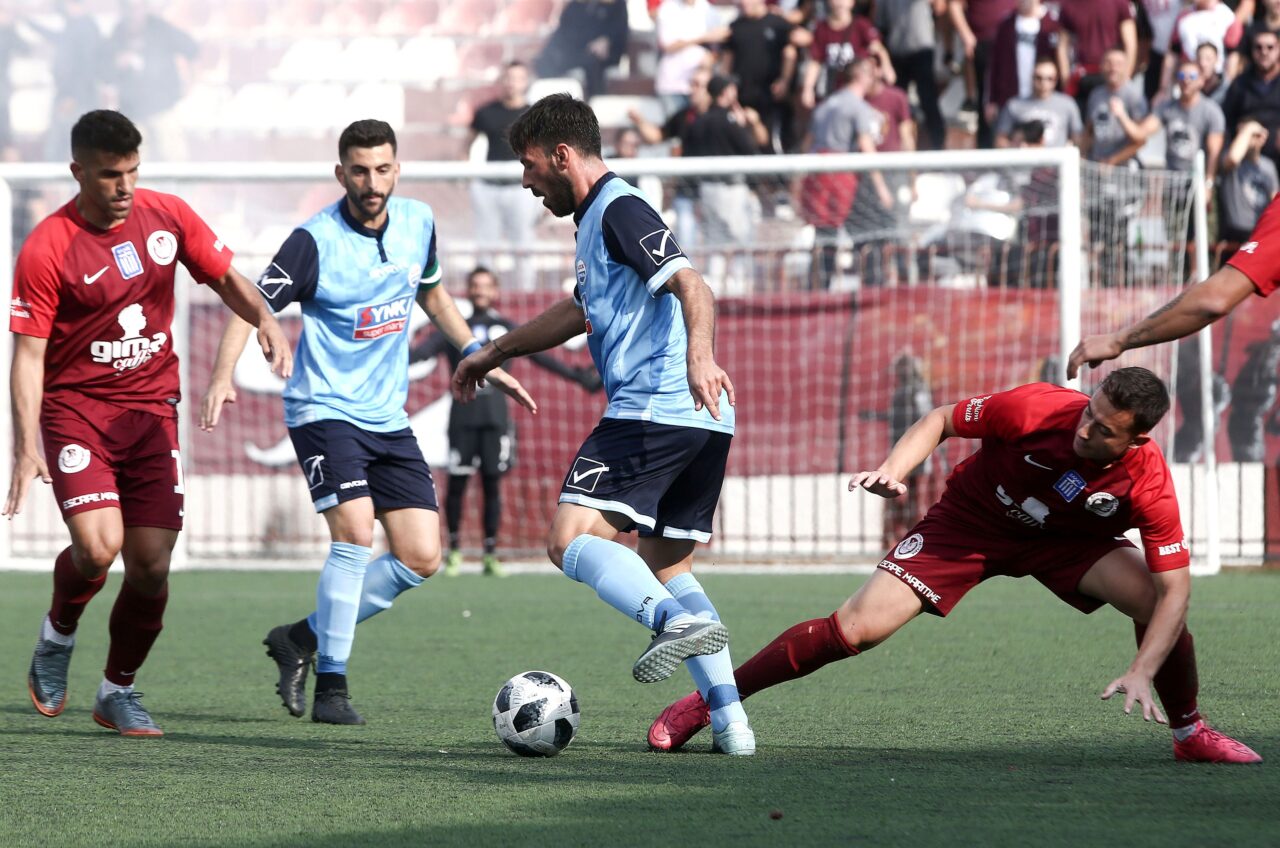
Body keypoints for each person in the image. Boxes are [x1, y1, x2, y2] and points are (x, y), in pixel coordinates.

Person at [648, 369, 1262, 763]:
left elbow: (1176, 591)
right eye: (1087, 413)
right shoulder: (1035, 408)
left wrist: (1142, 668)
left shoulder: (1148, 481)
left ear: (1137, 440)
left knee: (1156, 605)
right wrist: (894, 469)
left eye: (1102, 430)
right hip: (973, 522)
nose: (1084, 429)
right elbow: (941, 419)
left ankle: (1189, 733)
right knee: (856, 629)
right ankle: (713, 699)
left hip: (1069, 542)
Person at [199, 120, 534, 725]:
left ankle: (300, 637)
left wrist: (479, 353)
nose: (371, 182)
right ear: (341, 174)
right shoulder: (313, 242)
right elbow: (250, 304)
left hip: (387, 416)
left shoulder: (419, 222)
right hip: (324, 409)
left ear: (397, 170)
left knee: (421, 557)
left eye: (382, 170)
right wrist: (223, 375)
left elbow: (433, 295)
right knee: (354, 536)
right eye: (359, 171)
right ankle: (332, 687)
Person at [452, 94, 755, 755]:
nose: (526, 182)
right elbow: (578, 310)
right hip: (702, 421)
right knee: (668, 563)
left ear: (562, 156)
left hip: (654, 407)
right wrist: (495, 351)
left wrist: (699, 357)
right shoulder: (593, 223)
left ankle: (668, 621)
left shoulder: (619, 207)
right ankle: (733, 726)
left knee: (568, 539)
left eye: (530, 165)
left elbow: (692, 284)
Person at [6, 109, 292, 736]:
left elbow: (226, 278)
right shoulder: (48, 245)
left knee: (151, 565)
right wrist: (24, 445)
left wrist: (266, 319)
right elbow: (27, 355)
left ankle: (116, 691)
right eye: (111, 175)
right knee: (97, 548)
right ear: (78, 172)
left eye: (133, 171)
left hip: (151, 415)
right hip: (77, 413)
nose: (125, 186)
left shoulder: (167, 215)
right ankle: (58, 632)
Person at [408, 267, 601, 577]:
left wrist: (577, 377)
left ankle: (490, 552)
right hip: (462, 417)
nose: (481, 291)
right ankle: (454, 551)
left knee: (492, 484)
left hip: (496, 420)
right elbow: (420, 353)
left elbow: (541, 357)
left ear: (495, 291)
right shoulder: (457, 330)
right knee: (457, 484)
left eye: (486, 286)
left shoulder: (505, 329)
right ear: (469, 290)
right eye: (475, 285)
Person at [467, 62, 543, 289]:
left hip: (521, 187)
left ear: (526, 82)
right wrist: (466, 175)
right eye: (508, 78)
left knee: (522, 242)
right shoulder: (486, 112)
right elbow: (466, 145)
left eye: (518, 78)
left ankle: (526, 292)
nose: (512, 83)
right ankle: (483, 290)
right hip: (488, 186)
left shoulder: (533, 115)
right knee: (486, 242)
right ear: (501, 81)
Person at [875, 0, 946, 150]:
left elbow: (940, 7)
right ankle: (896, 147)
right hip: (897, 52)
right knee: (897, 101)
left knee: (928, 100)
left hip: (922, 49)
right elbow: (880, 23)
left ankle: (938, 148)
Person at [801, 0, 896, 110]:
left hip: (860, 89)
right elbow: (815, 61)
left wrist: (887, 68)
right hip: (835, 88)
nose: (840, 3)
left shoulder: (861, 25)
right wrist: (808, 88)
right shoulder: (821, 28)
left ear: (852, 2)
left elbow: (878, 49)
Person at [1146, 60, 1225, 186]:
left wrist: (1208, 184)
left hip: (1197, 182)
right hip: (1171, 181)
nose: (1186, 80)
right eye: (1182, 76)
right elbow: (1141, 132)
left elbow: (1214, 153)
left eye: (1192, 76)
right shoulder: (1167, 107)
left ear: (1201, 80)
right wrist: (1122, 116)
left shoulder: (1211, 111)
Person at [534, 0, 630, 99]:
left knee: (592, 62)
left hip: (601, 54)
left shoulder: (616, 4)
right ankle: (550, 100)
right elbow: (563, 30)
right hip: (575, 50)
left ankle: (596, 101)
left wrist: (607, 39)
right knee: (545, 59)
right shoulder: (575, 4)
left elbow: (621, 29)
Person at [1083, 48, 1153, 166]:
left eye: (1118, 64)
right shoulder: (1096, 94)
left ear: (1127, 67)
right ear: (1101, 66)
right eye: (1108, 63)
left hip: (1123, 166)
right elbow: (1089, 132)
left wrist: (1113, 160)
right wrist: (1082, 154)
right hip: (1096, 162)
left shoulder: (1134, 96)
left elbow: (1141, 140)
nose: (1113, 68)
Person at [995, 57, 1084, 148]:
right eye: (1039, 78)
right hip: (1024, 156)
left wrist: (1070, 149)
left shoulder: (1068, 104)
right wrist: (1017, 146)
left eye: (1049, 78)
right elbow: (1000, 140)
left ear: (1056, 80)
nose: (1043, 83)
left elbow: (1078, 138)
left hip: (1056, 156)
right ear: (1032, 77)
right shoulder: (1014, 105)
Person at [1217, 117, 1280, 243]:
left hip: (1259, 232)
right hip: (1234, 234)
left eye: (1255, 135)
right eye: (1247, 135)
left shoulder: (1268, 166)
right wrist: (1249, 129)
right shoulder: (1230, 160)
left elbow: (1274, 201)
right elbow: (1233, 158)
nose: (1251, 139)